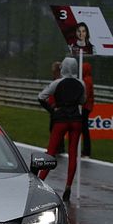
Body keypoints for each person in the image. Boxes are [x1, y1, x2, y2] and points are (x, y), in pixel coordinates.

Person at [37, 57, 86, 202]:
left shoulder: (57, 83)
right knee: (72, 154)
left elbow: (41, 97)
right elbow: (83, 101)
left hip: (61, 119)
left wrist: (53, 110)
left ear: (63, 68)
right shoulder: (81, 83)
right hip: (76, 120)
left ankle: (39, 183)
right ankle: (68, 186)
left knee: (51, 152)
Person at [81, 62, 95, 157]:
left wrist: (81, 103)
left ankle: (86, 151)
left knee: (84, 129)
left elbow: (85, 94)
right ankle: (86, 150)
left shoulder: (86, 80)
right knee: (84, 128)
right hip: (88, 106)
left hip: (85, 106)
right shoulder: (88, 79)